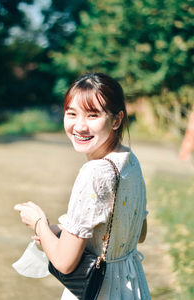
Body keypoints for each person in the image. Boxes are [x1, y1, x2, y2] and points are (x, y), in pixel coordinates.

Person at [14, 73, 151, 299]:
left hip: (101, 290)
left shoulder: (94, 173)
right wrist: (59, 231)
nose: (79, 126)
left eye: (93, 114)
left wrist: (38, 223)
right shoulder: (128, 159)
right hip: (131, 285)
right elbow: (138, 233)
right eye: (72, 114)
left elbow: (65, 263)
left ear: (116, 120)